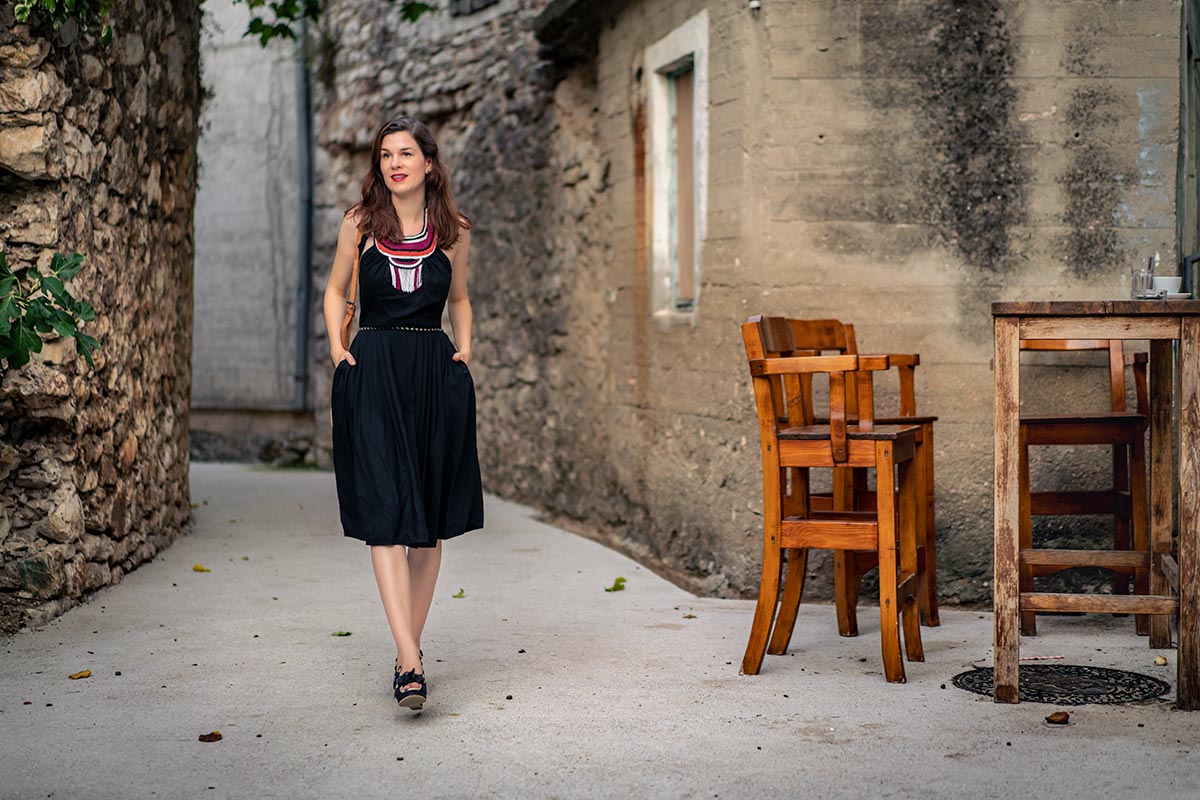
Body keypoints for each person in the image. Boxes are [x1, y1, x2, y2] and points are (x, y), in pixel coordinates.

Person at [323, 116, 484, 712]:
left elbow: (461, 299)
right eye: (386, 154)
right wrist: (339, 350)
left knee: (430, 526)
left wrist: (465, 348)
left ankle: (404, 649)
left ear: (429, 165)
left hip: (433, 374)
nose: (395, 163)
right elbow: (336, 290)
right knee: (387, 515)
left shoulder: (454, 230)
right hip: (373, 372)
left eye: (407, 154)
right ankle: (411, 662)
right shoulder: (359, 224)